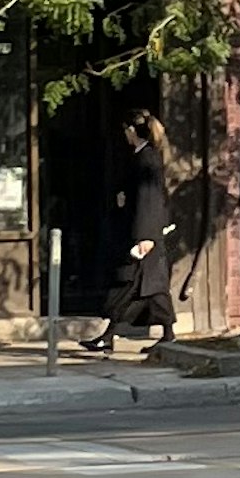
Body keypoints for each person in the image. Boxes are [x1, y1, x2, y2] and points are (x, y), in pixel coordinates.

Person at [96, 108, 176, 350]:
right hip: (144, 232)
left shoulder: (147, 159)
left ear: (131, 130)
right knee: (145, 288)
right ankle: (111, 335)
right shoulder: (143, 157)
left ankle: (110, 336)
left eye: (126, 130)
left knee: (143, 287)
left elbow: (149, 200)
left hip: (145, 234)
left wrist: (146, 235)